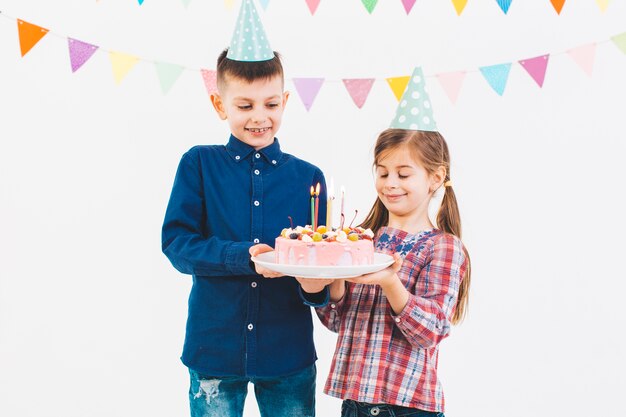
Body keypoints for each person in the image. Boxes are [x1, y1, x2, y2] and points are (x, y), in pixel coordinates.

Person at [161, 2, 326, 416]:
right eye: (245, 105)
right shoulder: (198, 164)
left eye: (271, 104)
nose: (260, 117)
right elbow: (178, 245)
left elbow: (321, 276)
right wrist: (244, 257)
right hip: (214, 350)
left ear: (286, 101)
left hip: (287, 354)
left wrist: (314, 283)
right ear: (220, 105)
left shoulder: (309, 178)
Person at [297, 67, 472, 416]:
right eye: (383, 171)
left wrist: (391, 281)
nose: (391, 183)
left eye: (404, 174)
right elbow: (336, 321)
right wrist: (323, 283)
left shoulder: (443, 248)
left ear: (435, 178)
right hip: (355, 403)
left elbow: (432, 331)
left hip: (407, 407)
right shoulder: (363, 240)